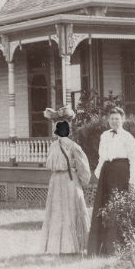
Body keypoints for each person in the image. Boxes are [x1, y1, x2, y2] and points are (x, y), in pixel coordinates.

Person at [86, 106, 135, 256]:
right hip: (107, 174)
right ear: (108, 120)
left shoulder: (128, 137)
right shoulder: (104, 135)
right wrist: (100, 172)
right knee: (105, 207)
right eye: (111, 119)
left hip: (122, 173)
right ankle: (105, 248)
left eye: (117, 119)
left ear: (123, 120)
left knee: (124, 207)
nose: (114, 122)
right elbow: (101, 156)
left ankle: (129, 243)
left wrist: (132, 180)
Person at [41, 106, 91, 254]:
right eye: (58, 126)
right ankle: (56, 247)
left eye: (64, 126)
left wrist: (82, 181)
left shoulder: (73, 146)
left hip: (70, 180)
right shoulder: (53, 146)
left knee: (72, 211)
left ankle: (75, 247)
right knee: (56, 211)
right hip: (56, 180)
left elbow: (83, 166)